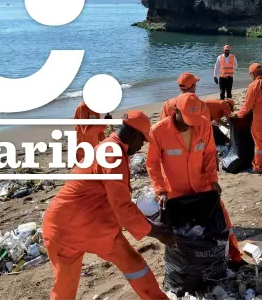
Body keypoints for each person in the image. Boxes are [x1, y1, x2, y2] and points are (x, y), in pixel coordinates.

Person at [43, 111, 175, 300]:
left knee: (133, 265)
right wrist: (159, 233)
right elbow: (122, 207)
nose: (141, 146)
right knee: (66, 288)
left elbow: (116, 201)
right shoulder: (113, 154)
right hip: (69, 229)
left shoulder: (109, 147)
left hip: (80, 226)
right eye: (143, 141)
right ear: (133, 135)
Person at [146, 93, 244, 267]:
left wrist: (213, 180)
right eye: (185, 120)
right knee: (183, 233)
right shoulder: (158, 131)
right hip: (176, 191)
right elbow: (152, 164)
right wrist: (160, 191)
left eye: (192, 120)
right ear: (176, 111)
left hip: (203, 185)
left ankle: (235, 257)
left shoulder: (204, 125)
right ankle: (190, 267)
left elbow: (209, 154)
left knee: (222, 222)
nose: (188, 125)